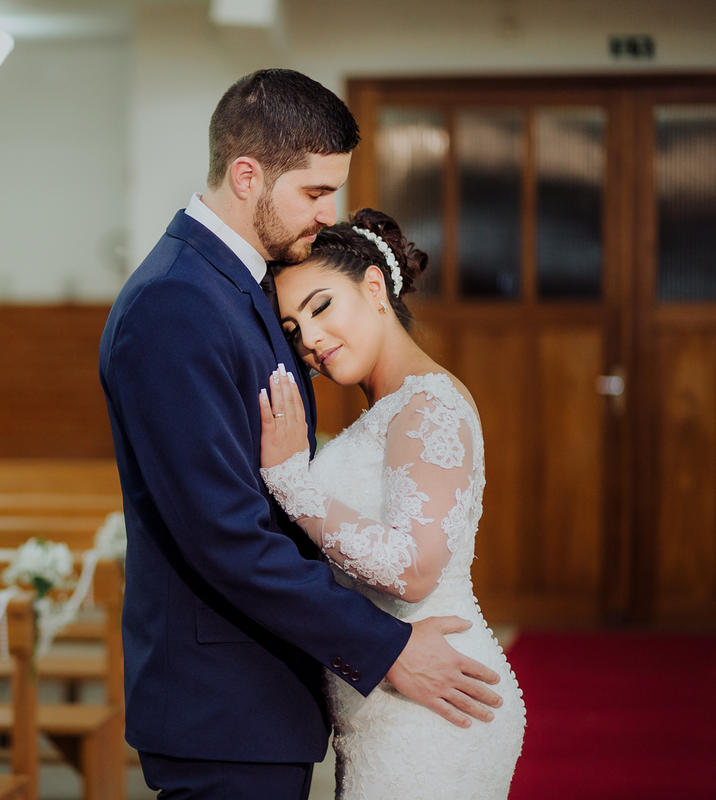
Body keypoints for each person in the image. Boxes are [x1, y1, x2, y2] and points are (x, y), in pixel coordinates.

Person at [98, 69, 502, 800]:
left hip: (268, 696)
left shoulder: (237, 286)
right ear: (247, 175)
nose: (328, 214)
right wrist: (385, 648)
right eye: (315, 192)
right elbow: (226, 532)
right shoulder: (175, 304)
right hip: (221, 701)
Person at [257, 208, 526, 798]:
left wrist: (290, 484)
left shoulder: (427, 403)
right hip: (386, 706)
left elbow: (413, 568)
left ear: (374, 287)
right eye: (293, 328)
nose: (311, 340)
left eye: (321, 306)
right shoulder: (385, 410)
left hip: (435, 708)